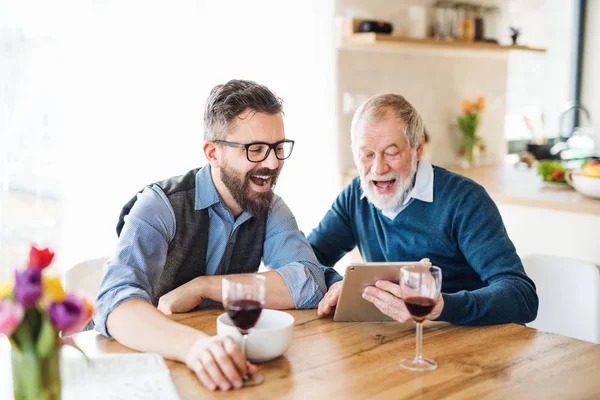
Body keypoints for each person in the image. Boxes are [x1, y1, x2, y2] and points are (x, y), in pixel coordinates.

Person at [93, 79, 326, 391]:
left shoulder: (270, 206)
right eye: (255, 150)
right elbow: (114, 303)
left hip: (229, 365)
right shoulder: (159, 205)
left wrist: (205, 287)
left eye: (278, 148)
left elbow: (308, 281)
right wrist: (194, 347)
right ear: (213, 153)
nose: (273, 163)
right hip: (152, 367)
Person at [308, 93, 538, 326]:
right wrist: (342, 284)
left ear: (418, 148)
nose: (378, 168)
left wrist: (441, 306)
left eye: (391, 152)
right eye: (367, 154)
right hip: (398, 342)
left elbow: (521, 296)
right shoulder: (354, 197)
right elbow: (304, 262)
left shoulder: (464, 200)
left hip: (471, 344)